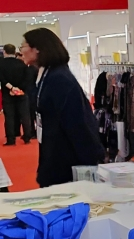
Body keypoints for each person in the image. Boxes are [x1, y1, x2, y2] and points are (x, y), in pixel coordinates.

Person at [19, 28, 105, 187]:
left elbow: (78, 122)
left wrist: (91, 159)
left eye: (23, 46)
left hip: (66, 158)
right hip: (53, 152)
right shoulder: (46, 73)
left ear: (37, 48)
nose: (21, 51)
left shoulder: (59, 78)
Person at [0, 44, 32, 146]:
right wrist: (19, 89)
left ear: (4, 51)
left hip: (7, 93)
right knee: (25, 115)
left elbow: (1, 78)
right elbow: (27, 78)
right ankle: (27, 137)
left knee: (9, 117)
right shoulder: (21, 63)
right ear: (14, 51)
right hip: (21, 93)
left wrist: (11, 88)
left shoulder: (1, 63)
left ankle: (11, 139)